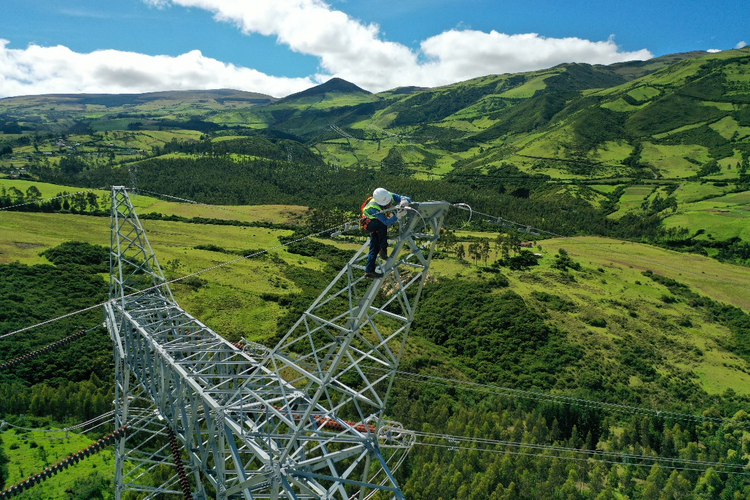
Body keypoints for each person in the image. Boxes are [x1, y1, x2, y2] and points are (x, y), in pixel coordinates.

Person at [361, 188, 411, 278]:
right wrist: (398, 216)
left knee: (374, 246)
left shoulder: (388, 195)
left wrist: (404, 200)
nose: (388, 204)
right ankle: (383, 248)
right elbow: (385, 222)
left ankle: (369, 271)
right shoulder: (373, 207)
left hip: (378, 222)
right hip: (370, 223)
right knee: (381, 226)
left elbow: (404, 198)